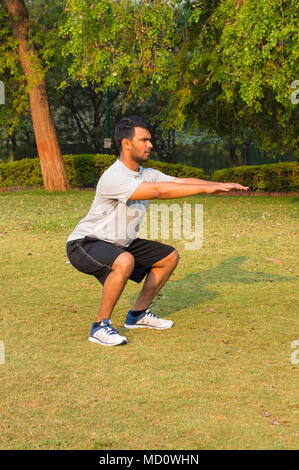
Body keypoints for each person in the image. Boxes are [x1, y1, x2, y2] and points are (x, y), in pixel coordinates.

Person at [66, 115, 248, 346]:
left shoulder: (146, 173)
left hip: (119, 243)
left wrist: (213, 186)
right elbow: (160, 192)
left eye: (150, 140)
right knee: (124, 260)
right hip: (85, 243)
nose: (150, 145)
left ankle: (138, 314)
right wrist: (206, 189)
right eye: (144, 140)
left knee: (168, 257)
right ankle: (100, 326)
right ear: (126, 143)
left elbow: (179, 182)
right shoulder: (114, 176)